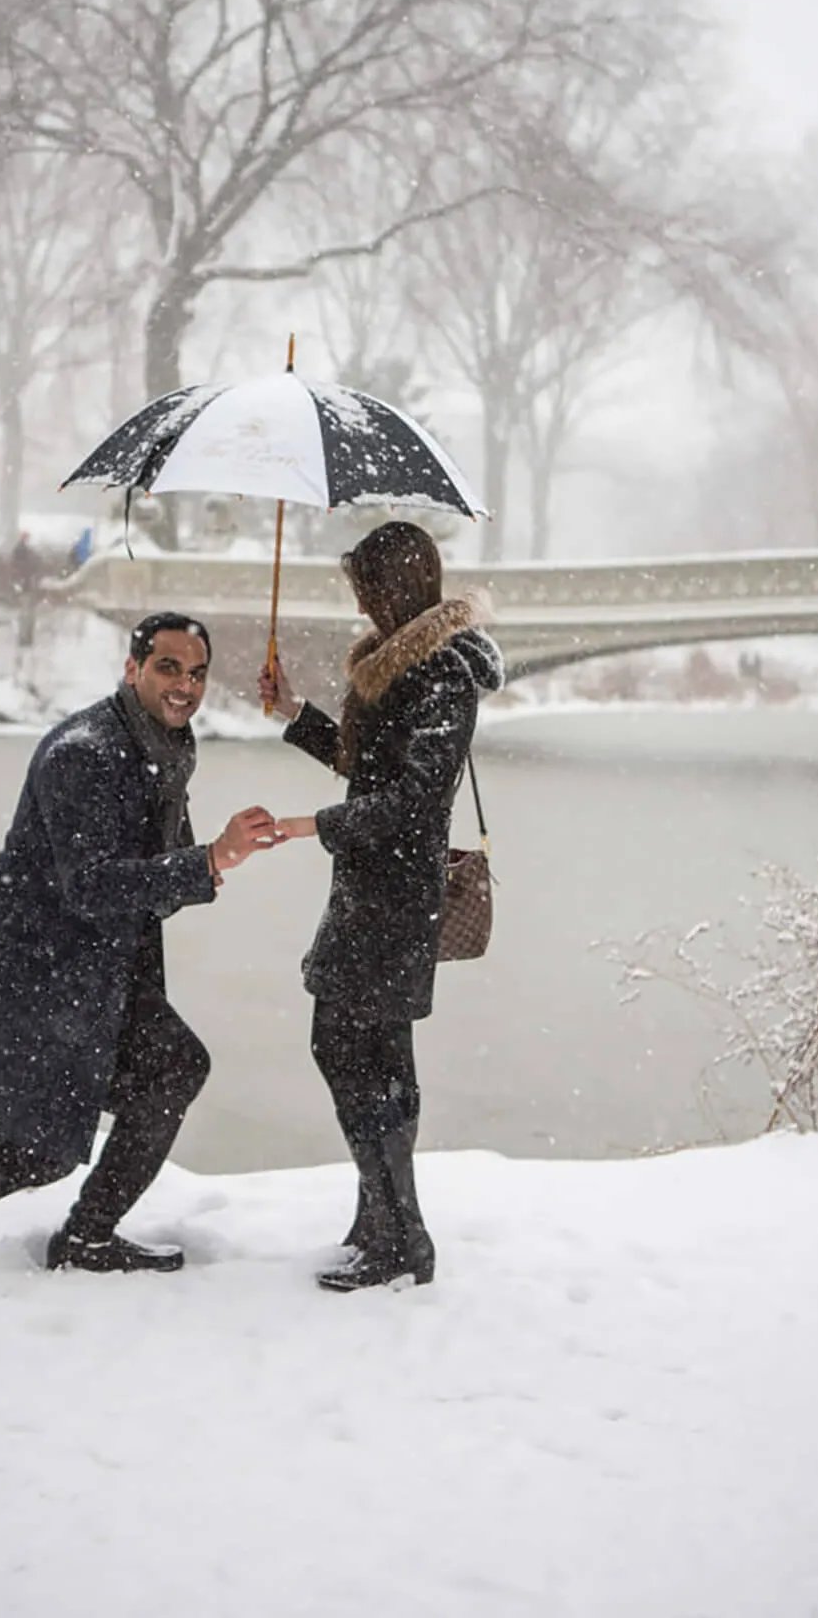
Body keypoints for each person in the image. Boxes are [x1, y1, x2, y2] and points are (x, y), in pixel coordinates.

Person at [0, 612, 278, 1274]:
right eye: (168, 667)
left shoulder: (165, 747)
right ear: (132, 669)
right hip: (32, 967)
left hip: (94, 970)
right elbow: (89, 886)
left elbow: (158, 877)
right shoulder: (84, 753)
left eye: (197, 672)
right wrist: (207, 860)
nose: (185, 685)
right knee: (44, 1148)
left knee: (172, 1070)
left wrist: (211, 862)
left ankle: (85, 1236)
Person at [260, 521, 503, 1292]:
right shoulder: (395, 665)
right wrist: (295, 713)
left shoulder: (444, 673)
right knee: (363, 1054)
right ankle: (383, 1221)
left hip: (397, 898)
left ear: (397, 587)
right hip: (370, 889)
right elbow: (367, 767)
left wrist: (314, 825)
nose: (361, 604)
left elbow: (414, 800)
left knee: (361, 1054)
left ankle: (402, 1235)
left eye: (368, 589)